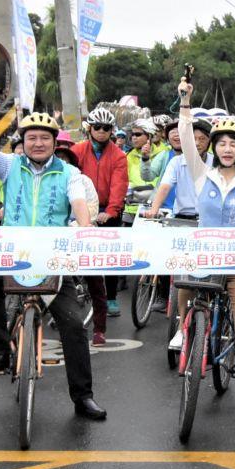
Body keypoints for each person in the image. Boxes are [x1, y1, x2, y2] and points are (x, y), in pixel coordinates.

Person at [0, 84, 107, 420]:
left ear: (55, 142)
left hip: (53, 258)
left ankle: (83, 398)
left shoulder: (69, 173)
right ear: (22, 142)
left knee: (72, 325)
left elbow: (80, 206)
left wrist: (83, 228)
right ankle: (0, 349)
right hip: (13, 253)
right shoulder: (10, 167)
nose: (38, 143)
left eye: (45, 138)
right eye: (31, 138)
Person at [170, 79, 235, 420]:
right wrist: (185, 101)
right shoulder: (201, 175)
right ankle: (185, 329)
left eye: (233, 145)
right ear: (214, 148)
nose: (227, 149)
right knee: (182, 276)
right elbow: (184, 138)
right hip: (204, 258)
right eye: (221, 144)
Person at [71, 108, 129, 325]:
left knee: (109, 256)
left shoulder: (119, 156)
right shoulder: (77, 151)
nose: (102, 132)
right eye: (97, 127)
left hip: (106, 209)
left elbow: (119, 185)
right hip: (80, 207)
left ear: (111, 130)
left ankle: (111, 297)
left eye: (106, 128)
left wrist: (111, 211)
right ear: (90, 128)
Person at [142, 117, 212, 220]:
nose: (197, 143)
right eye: (193, 139)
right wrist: (154, 209)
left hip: (209, 218)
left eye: (202, 139)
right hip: (182, 218)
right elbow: (165, 186)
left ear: (209, 142)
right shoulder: (176, 162)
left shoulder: (216, 163)